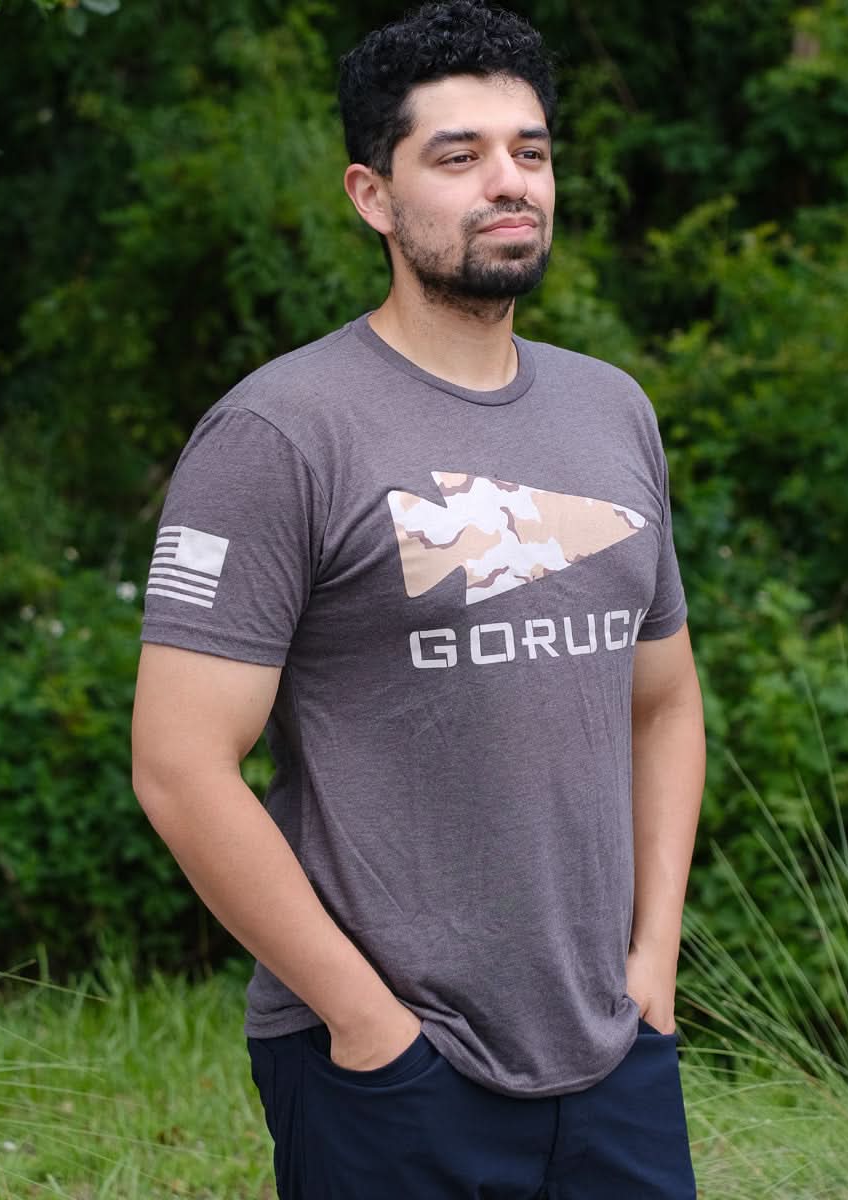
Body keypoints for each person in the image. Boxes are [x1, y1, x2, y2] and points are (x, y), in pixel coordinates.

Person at [130, 2, 705, 1196]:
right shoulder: (279, 433)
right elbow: (181, 764)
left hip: (615, 1057)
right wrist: (369, 1028)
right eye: (459, 155)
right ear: (371, 195)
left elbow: (663, 702)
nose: (509, 183)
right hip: (390, 1074)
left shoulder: (613, 412)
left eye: (530, 151)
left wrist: (651, 967)